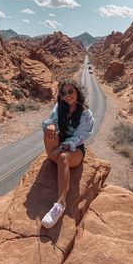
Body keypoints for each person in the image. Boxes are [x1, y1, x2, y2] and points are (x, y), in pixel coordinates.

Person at [41, 78, 94, 228]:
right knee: (48, 132)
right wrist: (51, 125)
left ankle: (60, 205)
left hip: (75, 148)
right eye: (64, 93)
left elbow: (79, 138)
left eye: (71, 91)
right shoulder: (60, 106)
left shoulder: (86, 114)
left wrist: (59, 149)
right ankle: (56, 159)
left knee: (63, 157)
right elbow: (51, 120)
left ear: (77, 92)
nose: (68, 95)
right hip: (60, 143)